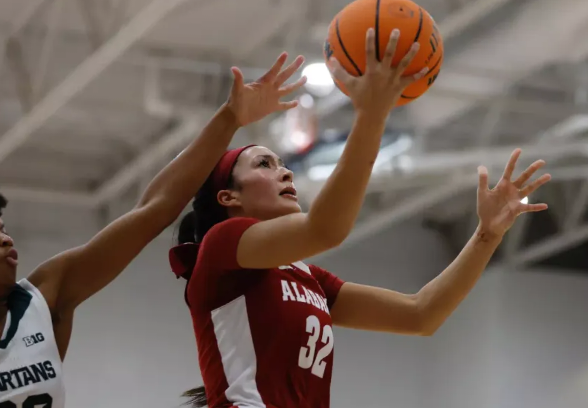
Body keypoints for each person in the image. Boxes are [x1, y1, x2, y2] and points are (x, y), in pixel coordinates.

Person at [170, 29, 551, 408]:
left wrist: (487, 234)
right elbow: (326, 228)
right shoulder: (223, 246)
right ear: (228, 196)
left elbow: (421, 314)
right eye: (264, 164)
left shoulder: (306, 276)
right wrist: (372, 114)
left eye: (283, 164)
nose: (285, 173)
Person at [0, 52, 308, 407]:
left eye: (4, 227)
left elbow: (153, 210)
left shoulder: (43, 296)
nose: (7, 238)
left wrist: (230, 118)